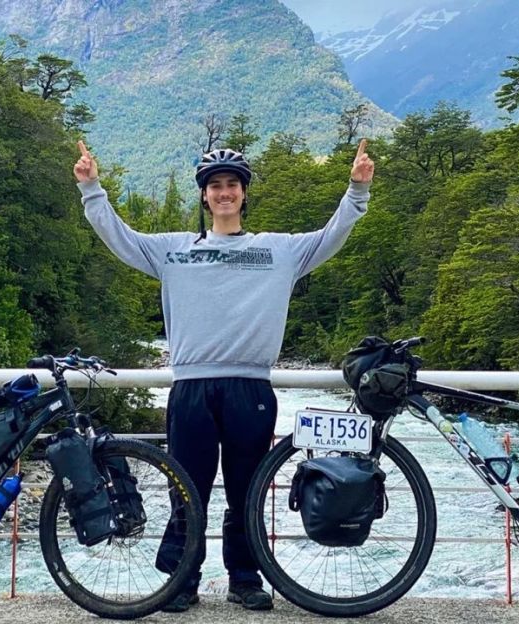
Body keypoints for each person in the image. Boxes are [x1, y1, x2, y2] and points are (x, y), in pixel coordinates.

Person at [73, 139, 374, 612]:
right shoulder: (175, 250)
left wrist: (357, 190)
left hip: (250, 385)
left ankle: (244, 577)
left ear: (244, 193)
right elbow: (121, 238)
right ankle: (182, 579)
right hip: (191, 385)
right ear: (205, 196)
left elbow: (330, 236)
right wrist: (92, 188)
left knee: (247, 488)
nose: (224, 193)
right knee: (186, 487)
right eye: (216, 186)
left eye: (232, 185)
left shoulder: (278, 251)